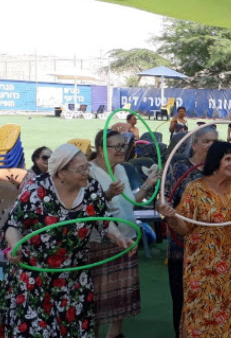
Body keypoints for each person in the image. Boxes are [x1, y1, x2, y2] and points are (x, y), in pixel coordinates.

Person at [0, 144, 135, 338]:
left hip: (74, 277)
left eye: (87, 166)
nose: (88, 172)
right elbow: (13, 225)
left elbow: (104, 221)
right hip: (34, 277)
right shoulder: (36, 189)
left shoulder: (91, 189)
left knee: (75, 331)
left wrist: (119, 237)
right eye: (81, 169)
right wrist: (15, 247)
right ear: (61, 172)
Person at [156, 141, 231, 337]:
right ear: (215, 161)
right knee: (198, 314)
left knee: (227, 314)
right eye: (228, 159)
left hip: (230, 266)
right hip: (201, 266)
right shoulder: (196, 189)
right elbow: (184, 228)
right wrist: (171, 217)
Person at [88, 130, 158, 338]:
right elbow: (88, 207)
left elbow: (131, 202)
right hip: (100, 241)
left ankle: (115, 334)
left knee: (121, 294)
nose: (122, 150)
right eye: (115, 146)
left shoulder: (120, 169)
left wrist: (148, 184)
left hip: (126, 239)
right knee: (97, 297)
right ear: (101, 150)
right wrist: (106, 195)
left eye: (123, 145)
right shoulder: (89, 171)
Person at [163, 126, 217, 337]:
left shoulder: (221, 168)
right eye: (206, 142)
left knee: (212, 296)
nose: (212, 146)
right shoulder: (178, 167)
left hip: (213, 246)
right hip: (182, 246)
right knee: (183, 299)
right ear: (193, 145)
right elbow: (166, 199)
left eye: (215, 141)